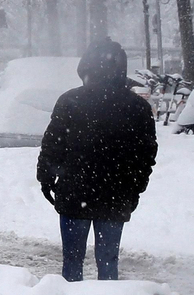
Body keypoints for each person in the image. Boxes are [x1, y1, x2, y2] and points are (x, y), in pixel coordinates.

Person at [38, 38, 158, 282]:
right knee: (108, 260)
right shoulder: (138, 108)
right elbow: (145, 154)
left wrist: (47, 177)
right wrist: (135, 188)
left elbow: (53, 144)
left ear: (86, 67)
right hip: (116, 194)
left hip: (74, 192)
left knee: (72, 260)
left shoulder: (70, 101)